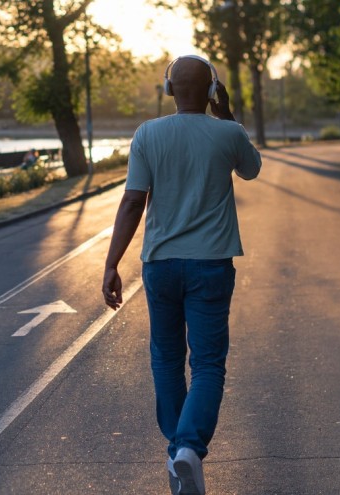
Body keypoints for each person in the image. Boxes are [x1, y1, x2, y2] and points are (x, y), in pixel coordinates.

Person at [101, 54, 261, 495]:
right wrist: (226, 112)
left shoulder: (148, 134)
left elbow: (133, 201)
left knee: (166, 360)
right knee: (207, 364)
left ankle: (177, 454)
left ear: (168, 89)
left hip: (161, 266)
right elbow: (251, 169)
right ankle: (188, 448)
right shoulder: (228, 132)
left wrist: (112, 263)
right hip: (211, 265)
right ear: (211, 91)